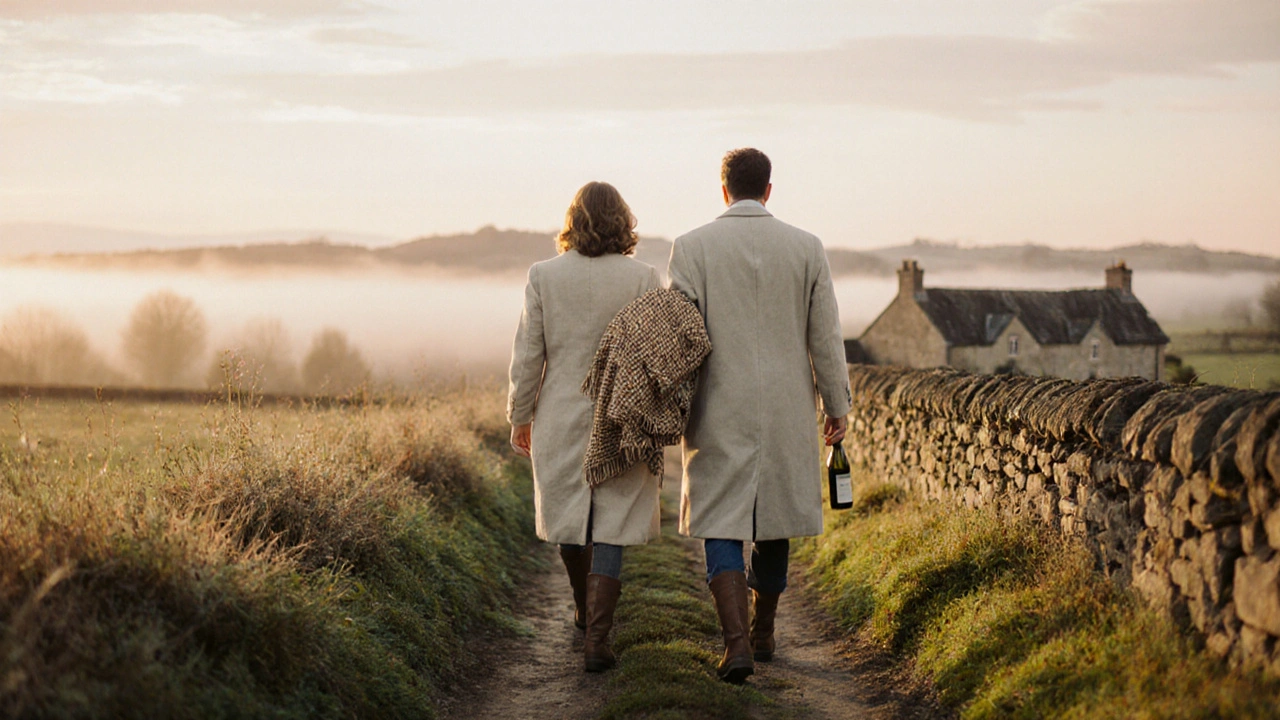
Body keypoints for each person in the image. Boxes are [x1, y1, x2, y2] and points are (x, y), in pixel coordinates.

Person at [667, 148, 852, 684]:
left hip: (716, 405)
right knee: (774, 521)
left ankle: (737, 644)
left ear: (723, 189)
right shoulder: (806, 248)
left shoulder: (692, 247)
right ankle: (765, 632)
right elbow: (826, 335)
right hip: (787, 407)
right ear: (769, 189)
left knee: (721, 519)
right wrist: (837, 407)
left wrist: (664, 411)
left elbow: (678, 339)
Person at [507, 181, 663, 673]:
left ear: (573, 221)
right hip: (624, 415)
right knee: (611, 523)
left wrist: (519, 415)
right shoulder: (642, 278)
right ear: (624, 222)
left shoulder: (543, 276)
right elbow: (657, 354)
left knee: (571, 516)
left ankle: (583, 608)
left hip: (561, 415)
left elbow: (529, 354)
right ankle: (598, 635)